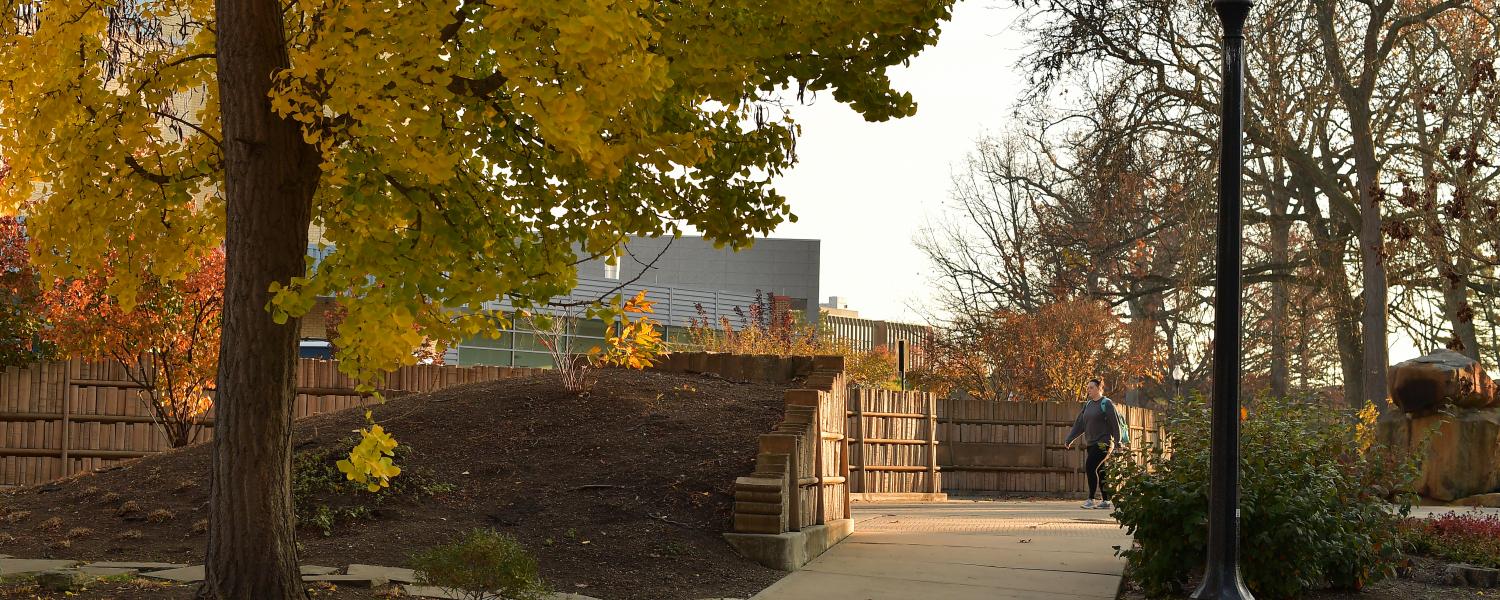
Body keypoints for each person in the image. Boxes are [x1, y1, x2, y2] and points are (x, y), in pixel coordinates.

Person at [1065, 378, 1122, 509]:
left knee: (1090, 467)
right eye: (1088, 387)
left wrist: (1118, 443)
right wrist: (1069, 439)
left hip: (1104, 442)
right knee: (1101, 470)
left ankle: (1091, 499)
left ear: (1098, 388)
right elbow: (1080, 424)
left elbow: (1115, 424)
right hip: (1091, 443)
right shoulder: (1088, 405)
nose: (1088, 390)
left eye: (1091, 387)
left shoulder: (1106, 403)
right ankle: (1106, 501)